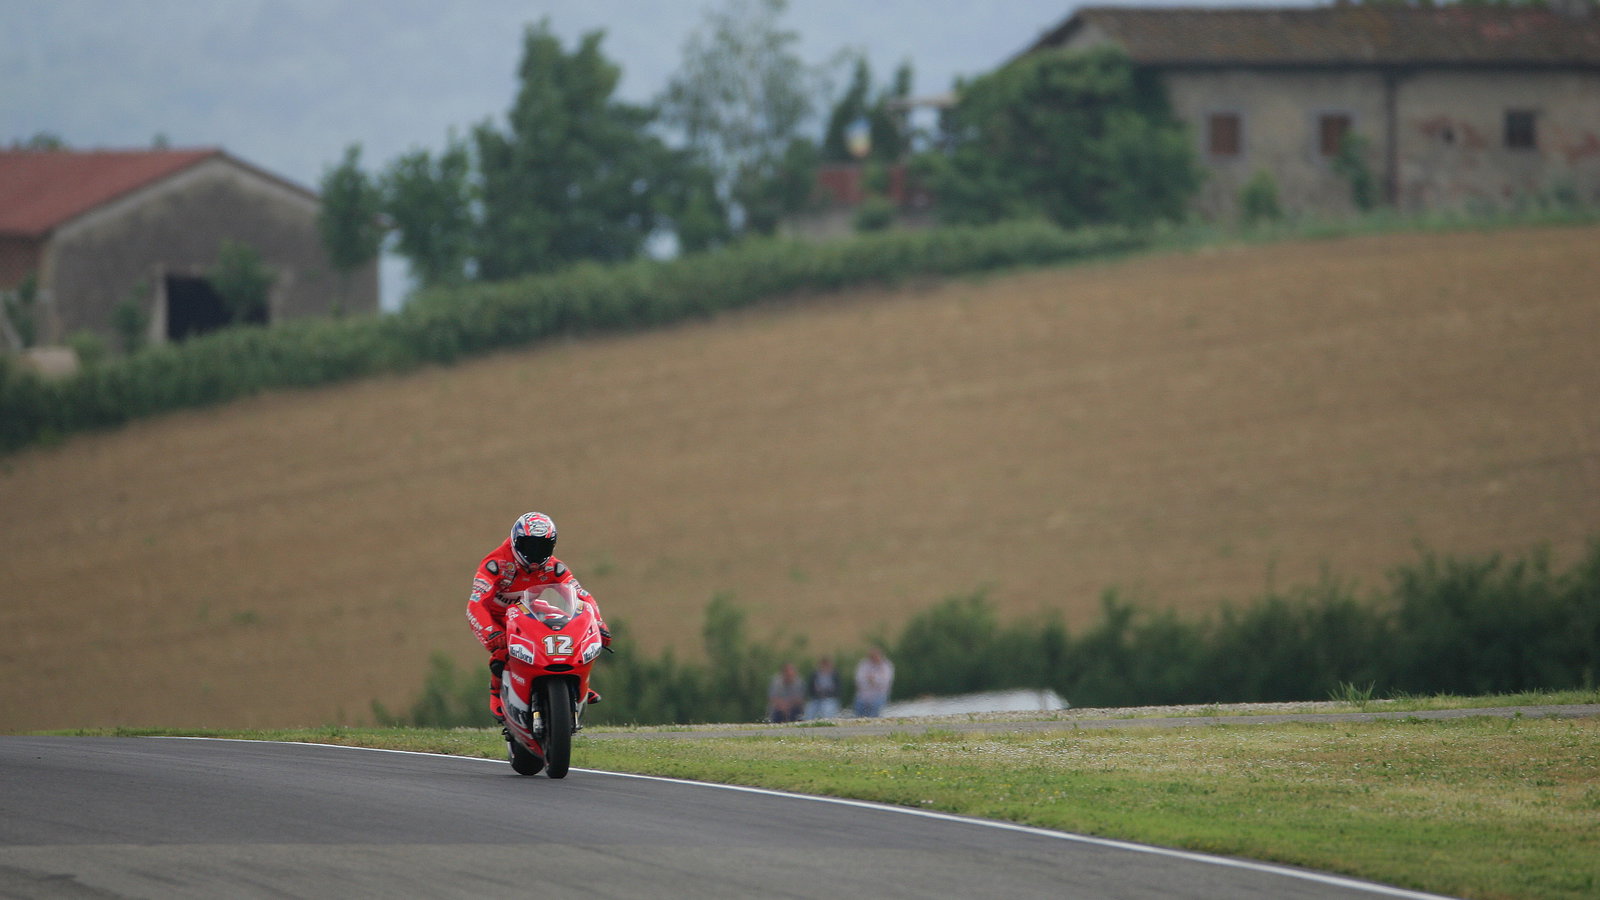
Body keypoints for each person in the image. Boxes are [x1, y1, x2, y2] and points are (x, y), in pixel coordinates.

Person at [466, 512, 610, 724]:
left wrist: (600, 625)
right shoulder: (495, 564)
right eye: (528, 546)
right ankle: (496, 693)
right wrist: (491, 631)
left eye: (541, 547)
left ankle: (578, 683)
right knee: (504, 651)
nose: (534, 554)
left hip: (527, 612)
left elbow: (582, 595)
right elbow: (475, 603)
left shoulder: (554, 567)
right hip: (496, 618)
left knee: (562, 627)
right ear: (515, 541)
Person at [853, 646, 894, 718]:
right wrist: (872, 681)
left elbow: (885, 682)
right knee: (858, 714)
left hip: (879, 696)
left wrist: (874, 680)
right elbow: (859, 680)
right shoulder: (863, 664)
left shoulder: (886, 666)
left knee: (874, 714)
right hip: (863, 696)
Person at [805, 655, 841, 720]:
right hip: (816, 699)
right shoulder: (814, 675)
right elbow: (810, 689)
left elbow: (837, 690)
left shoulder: (834, 675)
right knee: (809, 709)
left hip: (829, 698)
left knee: (826, 709)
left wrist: (826, 692)